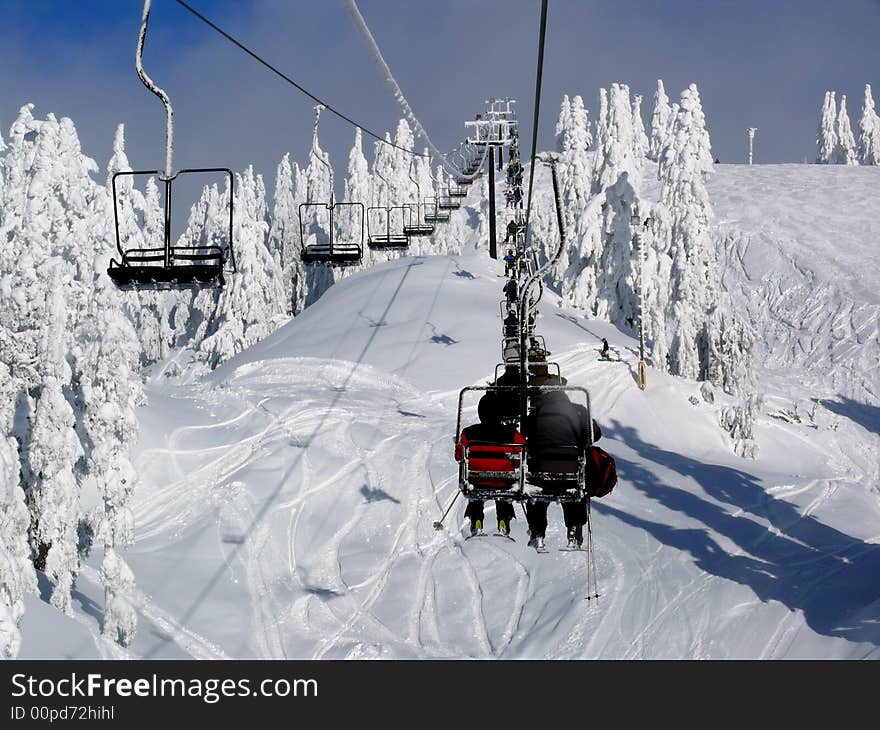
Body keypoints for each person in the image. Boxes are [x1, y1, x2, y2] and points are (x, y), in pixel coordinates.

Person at [523, 389, 602, 551]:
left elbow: (525, 435)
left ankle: (537, 532)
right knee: (575, 490)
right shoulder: (578, 411)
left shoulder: (536, 414)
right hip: (572, 470)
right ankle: (574, 530)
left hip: (541, 472)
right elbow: (595, 434)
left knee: (537, 494)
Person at [454, 392, 526, 537]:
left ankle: (477, 521)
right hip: (503, 481)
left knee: (475, 494)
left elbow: (459, 456)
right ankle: (503, 522)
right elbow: (522, 456)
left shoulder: (468, 432)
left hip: (477, 480)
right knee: (503, 492)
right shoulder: (511, 433)